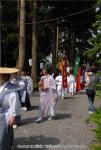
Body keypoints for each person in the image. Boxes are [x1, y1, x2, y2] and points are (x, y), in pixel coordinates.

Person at [0, 67, 21, 150]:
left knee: (3, 134)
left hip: (5, 115)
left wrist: (13, 116)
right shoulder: (1, 86)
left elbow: (14, 102)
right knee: (6, 133)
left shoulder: (10, 88)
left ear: (4, 77)